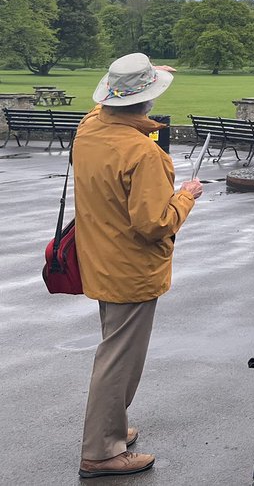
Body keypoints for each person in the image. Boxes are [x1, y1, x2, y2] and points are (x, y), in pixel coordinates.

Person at [74, 53, 203, 479]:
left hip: (97, 258)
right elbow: (155, 224)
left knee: (115, 350)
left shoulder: (89, 129)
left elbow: (105, 110)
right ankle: (101, 451)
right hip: (130, 269)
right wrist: (186, 194)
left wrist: (147, 79)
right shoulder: (142, 154)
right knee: (119, 361)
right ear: (145, 102)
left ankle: (108, 430)